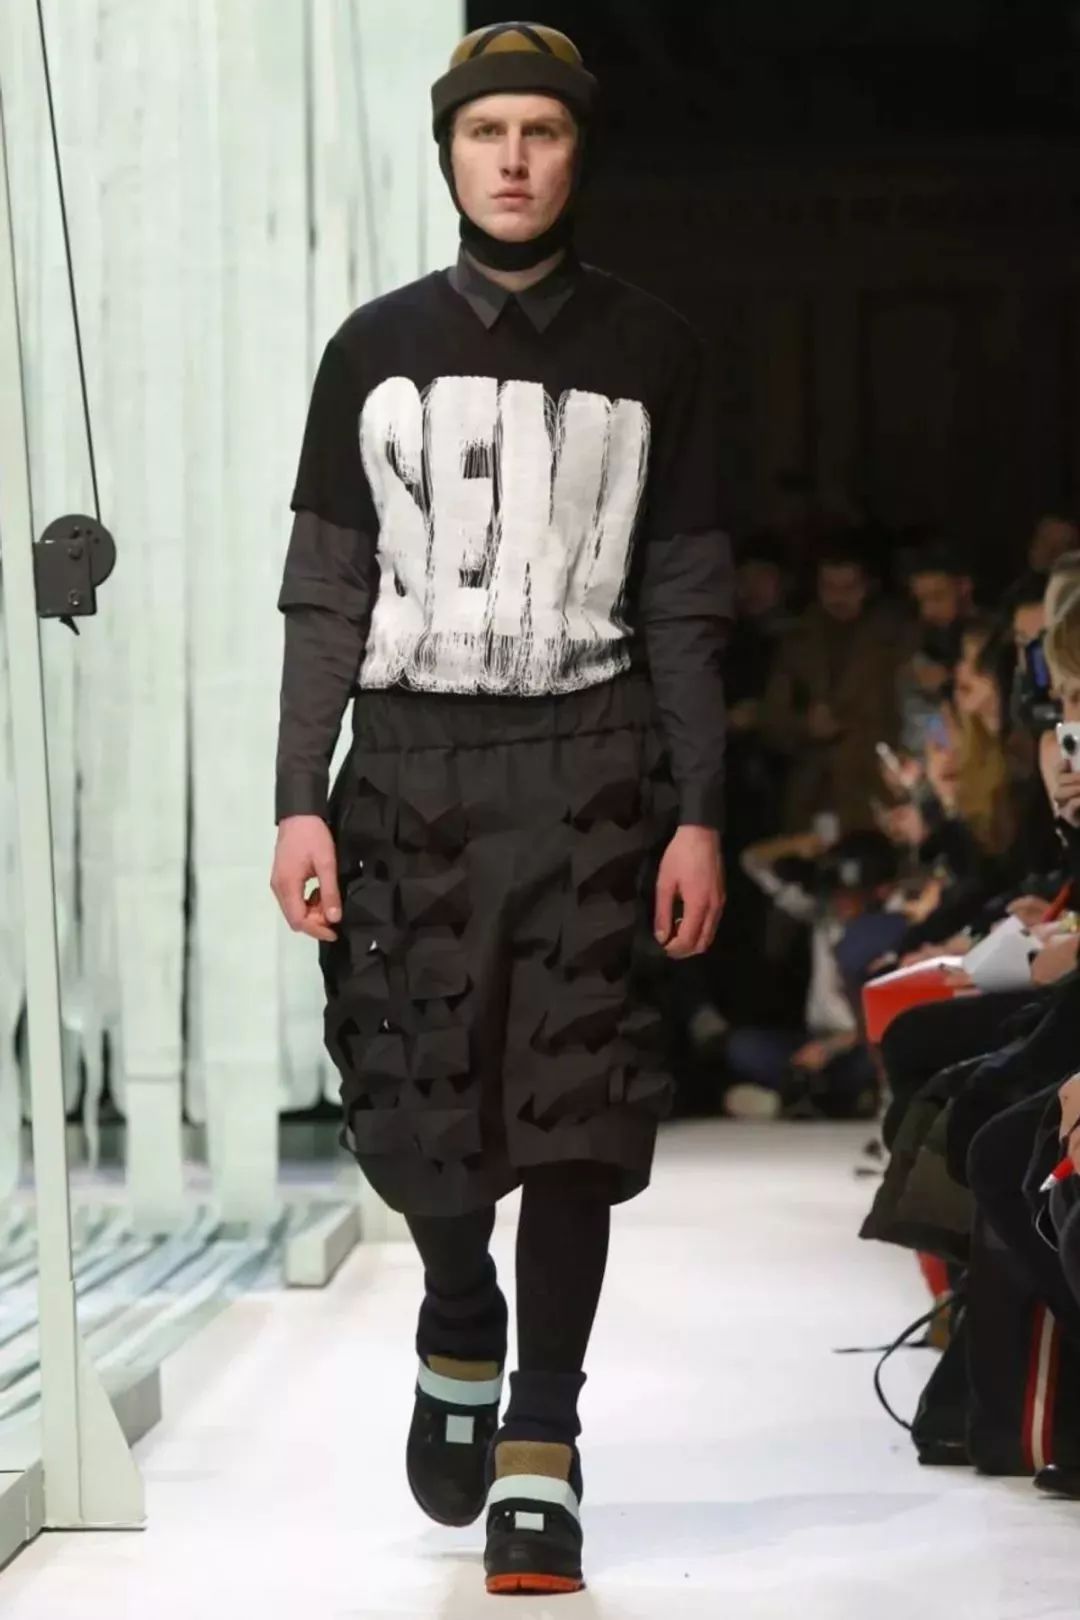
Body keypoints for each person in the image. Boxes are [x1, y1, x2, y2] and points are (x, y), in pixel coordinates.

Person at [268, 23, 730, 1598]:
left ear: (577, 151)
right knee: (422, 1112)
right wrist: (297, 799)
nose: (515, 158)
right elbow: (325, 595)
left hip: (597, 764)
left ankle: (544, 1434)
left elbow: (687, 601)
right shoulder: (370, 349)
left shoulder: (656, 350)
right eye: (488, 131)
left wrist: (700, 810)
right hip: (407, 771)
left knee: (580, 1117)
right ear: (450, 151)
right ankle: (461, 1311)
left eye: (542, 130)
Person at [760, 537, 906, 834]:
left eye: (849, 587)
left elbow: (910, 717)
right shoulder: (799, 640)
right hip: (811, 796)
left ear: (868, 586)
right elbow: (772, 718)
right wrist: (805, 724)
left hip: (873, 791)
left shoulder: (898, 639)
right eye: (829, 587)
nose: (839, 597)